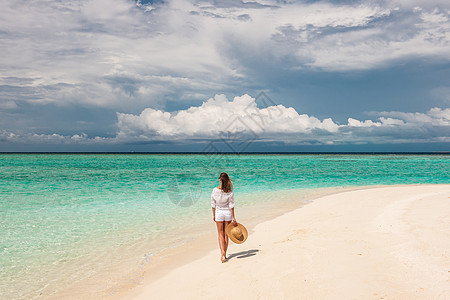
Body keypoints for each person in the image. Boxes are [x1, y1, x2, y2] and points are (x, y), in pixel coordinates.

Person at [211, 172, 237, 263]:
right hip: (227, 213)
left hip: (219, 213)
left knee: (220, 234)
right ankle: (224, 254)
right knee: (226, 234)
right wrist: (233, 217)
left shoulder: (215, 190)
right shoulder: (230, 192)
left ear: (220, 180)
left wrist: (213, 215)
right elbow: (231, 206)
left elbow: (213, 204)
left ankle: (222, 253)